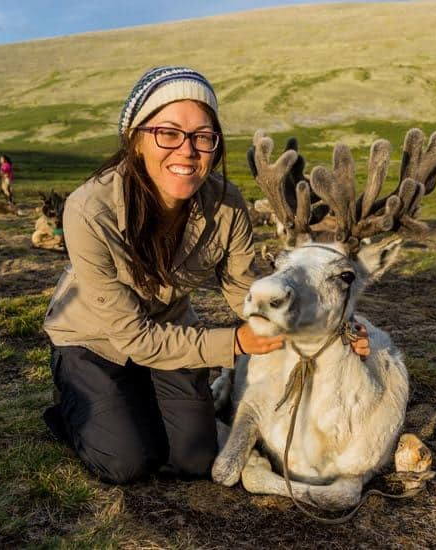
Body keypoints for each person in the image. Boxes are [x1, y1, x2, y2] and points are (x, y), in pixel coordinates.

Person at [42, 66, 370, 485]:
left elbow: (243, 290)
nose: (187, 150)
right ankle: (73, 400)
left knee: (195, 461)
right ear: (136, 139)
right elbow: (131, 337)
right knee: (126, 464)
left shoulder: (227, 204)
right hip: (96, 340)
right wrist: (235, 342)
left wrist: (321, 323)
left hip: (170, 333)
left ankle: (134, 401)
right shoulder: (90, 210)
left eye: (202, 137)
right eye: (168, 133)